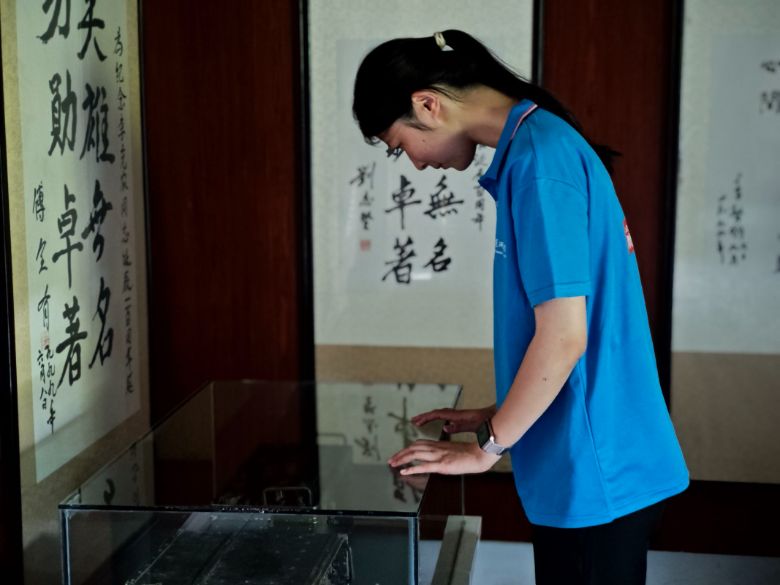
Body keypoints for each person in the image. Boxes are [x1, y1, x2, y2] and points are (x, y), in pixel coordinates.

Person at [352, 30, 690, 585]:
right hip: (594, 460)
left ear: (427, 105)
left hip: (595, 470)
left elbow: (564, 338)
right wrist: (496, 412)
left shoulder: (540, 160)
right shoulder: (536, 147)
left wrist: (486, 449)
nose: (412, 163)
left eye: (398, 145)